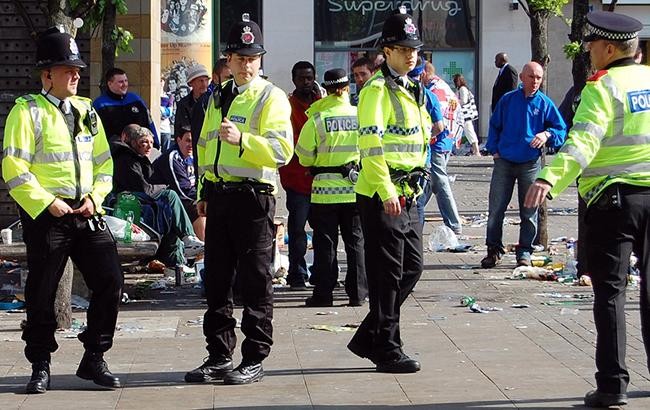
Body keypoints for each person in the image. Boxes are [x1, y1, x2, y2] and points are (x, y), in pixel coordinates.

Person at [524, 11, 650, 408]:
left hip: (614, 203)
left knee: (610, 294)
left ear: (609, 48)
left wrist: (549, 178)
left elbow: (583, 143)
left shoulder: (602, 87)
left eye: (592, 46)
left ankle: (612, 386)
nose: (589, 53)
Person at [1, 27, 122, 393]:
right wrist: (45, 202)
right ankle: (40, 363)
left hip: (86, 210)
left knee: (111, 280)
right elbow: (13, 168)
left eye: (77, 70)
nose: (75, 75)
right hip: (47, 214)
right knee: (42, 290)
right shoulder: (27, 112)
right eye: (66, 69)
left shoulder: (87, 111)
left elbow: (104, 165)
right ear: (46, 75)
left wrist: (95, 199)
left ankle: (94, 357)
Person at [187, 13, 293, 385]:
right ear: (227, 60)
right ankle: (218, 355)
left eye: (252, 58)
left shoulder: (271, 97)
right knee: (216, 281)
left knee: (255, 281)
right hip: (219, 198)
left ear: (260, 60)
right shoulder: (218, 97)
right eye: (239, 57)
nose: (246, 64)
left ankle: (254, 357)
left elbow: (282, 152)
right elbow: (203, 148)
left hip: (253, 199)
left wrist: (243, 141)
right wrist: (202, 192)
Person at [347, 6, 430, 374]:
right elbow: (372, 146)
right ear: (387, 51)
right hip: (382, 193)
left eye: (414, 48)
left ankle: (370, 336)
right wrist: (385, 190)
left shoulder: (414, 88)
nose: (411, 54)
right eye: (402, 48)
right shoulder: (376, 90)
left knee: (412, 267)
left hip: (408, 192)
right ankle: (386, 346)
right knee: (387, 275)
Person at [481, 62, 566, 268]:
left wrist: (547, 134)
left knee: (529, 211)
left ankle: (525, 251)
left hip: (529, 163)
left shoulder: (545, 103)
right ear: (521, 77)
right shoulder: (508, 100)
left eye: (538, 77)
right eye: (531, 77)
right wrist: (494, 150)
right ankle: (493, 250)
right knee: (496, 209)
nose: (535, 81)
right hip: (505, 161)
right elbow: (495, 125)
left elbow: (561, 130)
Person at [295, 68, 368, 307]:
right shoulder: (361, 116)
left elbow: (304, 156)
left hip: (324, 193)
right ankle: (357, 294)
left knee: (325, 244)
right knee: (355, 243)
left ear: (325, 90)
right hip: (354, 189)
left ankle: (323, 294)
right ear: (347, 88)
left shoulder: (317, 119)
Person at [111, 125, 204, 267]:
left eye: (151, 143)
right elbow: (144, 188)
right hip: (132, 202)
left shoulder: (139, 158)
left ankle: (183, 257)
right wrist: (164, 187)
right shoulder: (127, 159)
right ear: (134, 142)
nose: (149, 147)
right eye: (144, 142)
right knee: (171, 196)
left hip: (142, 200)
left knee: (172, 214)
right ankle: (188, 239)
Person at [279, 61, 321, 290]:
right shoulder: (287, 107)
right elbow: (290, 142)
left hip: (321, 181)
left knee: (323, 231)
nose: (307, 82)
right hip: (296, 179)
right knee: (297, 231)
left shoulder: (321, 105)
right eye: (302, 78)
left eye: (310, 78)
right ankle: (297, 273)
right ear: (294, 80)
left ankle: (322, 272)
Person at [416, 61, 463, 233]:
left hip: (437, 143)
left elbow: (437, 123)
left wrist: (425, 139)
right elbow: (458, 115)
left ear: (424, 74)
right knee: (432, 182)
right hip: (446, 141)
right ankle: (416, 211)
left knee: (439, 181)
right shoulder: (445, 89)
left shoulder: (432, 92)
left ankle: (453, 223)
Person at [153, 126, 206, 240]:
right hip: (166, 200)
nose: (191, 144)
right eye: (187, 140)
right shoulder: (173, 157)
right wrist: (202, 199)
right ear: (178, 140)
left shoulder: (193, 157)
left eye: (193, 141)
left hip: (185, 197)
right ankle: (200, 253)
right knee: (200, 210)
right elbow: (183, 190)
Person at [93, 67, 159, 147]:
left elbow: (149, 123)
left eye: (126, 81)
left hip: (140, 150)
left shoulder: (136, 100)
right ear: (109, 83)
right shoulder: (99, 105)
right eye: (121, 82)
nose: (125, 84)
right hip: (115, 152)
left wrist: (155, 144)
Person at [190, 58, 232, 169]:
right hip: (211, 174)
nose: (232, 82)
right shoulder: (205, 102)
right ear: (215, 78)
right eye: (228, 78)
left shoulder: (238, 99)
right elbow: (198, 143)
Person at [174, 64, 210, 139]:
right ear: (191, 83)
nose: (204, 84)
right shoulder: (183, 104)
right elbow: (179, 129)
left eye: (206, 80)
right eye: (201, 81)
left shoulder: (213, 100)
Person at [453, 73, 481, 156]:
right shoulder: (462, 89)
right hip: (464, 115)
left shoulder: (462, 89)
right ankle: (474, 149)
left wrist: (456, 102)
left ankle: (476, 150)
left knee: (469, 131)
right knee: (467, 131)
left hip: (465, 115)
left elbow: (464, 101)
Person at [160, 78, 175, 152]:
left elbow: (168, 113)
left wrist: (160, 109)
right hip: (156, 129)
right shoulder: (151, 95)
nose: (160, 83)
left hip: (165, 129)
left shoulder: (169, 96)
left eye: (161, 81)